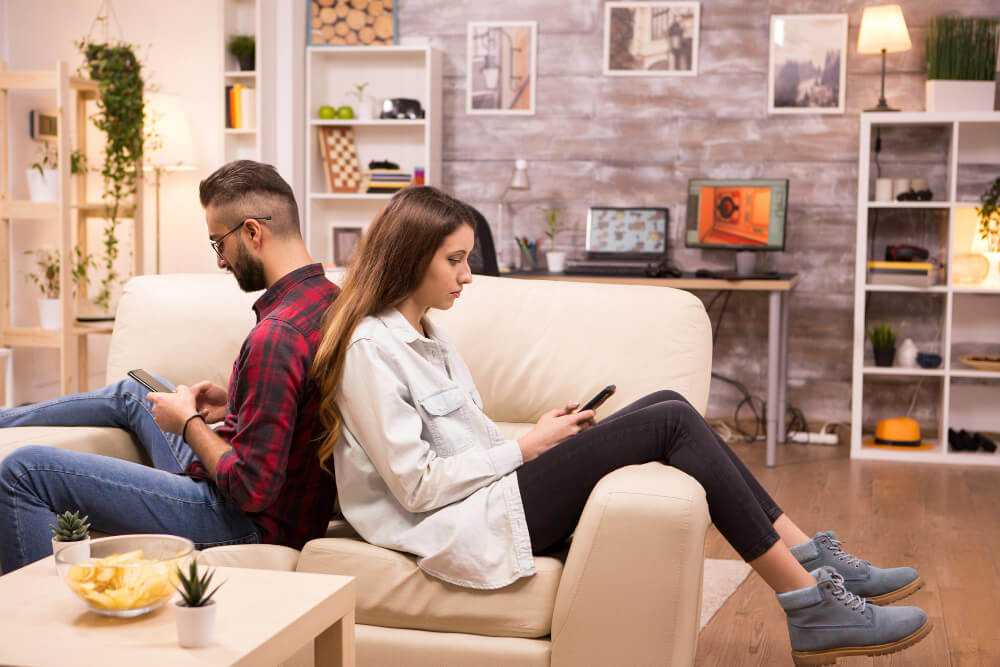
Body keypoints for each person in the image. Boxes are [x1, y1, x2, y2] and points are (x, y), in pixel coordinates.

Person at [311, 186, 932, 666]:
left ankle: (809, 559)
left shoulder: (429, 333)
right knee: (668, 422)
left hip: (488, 494)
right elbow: (417, 487)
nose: (468, 275)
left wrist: (530, 438)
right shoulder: (371, 348)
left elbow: (463, 440)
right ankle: (810, 603)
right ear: (410, 259)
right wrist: (526, 447)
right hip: (457, 523)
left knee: (667, 403)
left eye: (466, 258)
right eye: (455, 260)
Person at [0, 160, 338, 573]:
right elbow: (300, 410)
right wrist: (236, 402)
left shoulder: (277, 334)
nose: (220, 261)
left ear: (252, 231)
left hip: (242, 519)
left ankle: (45, 622)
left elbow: (251, 490)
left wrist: (190, 423)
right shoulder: (325, 299)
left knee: (21, 471)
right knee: (137, 390)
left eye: (219, 243)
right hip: (275, 505)